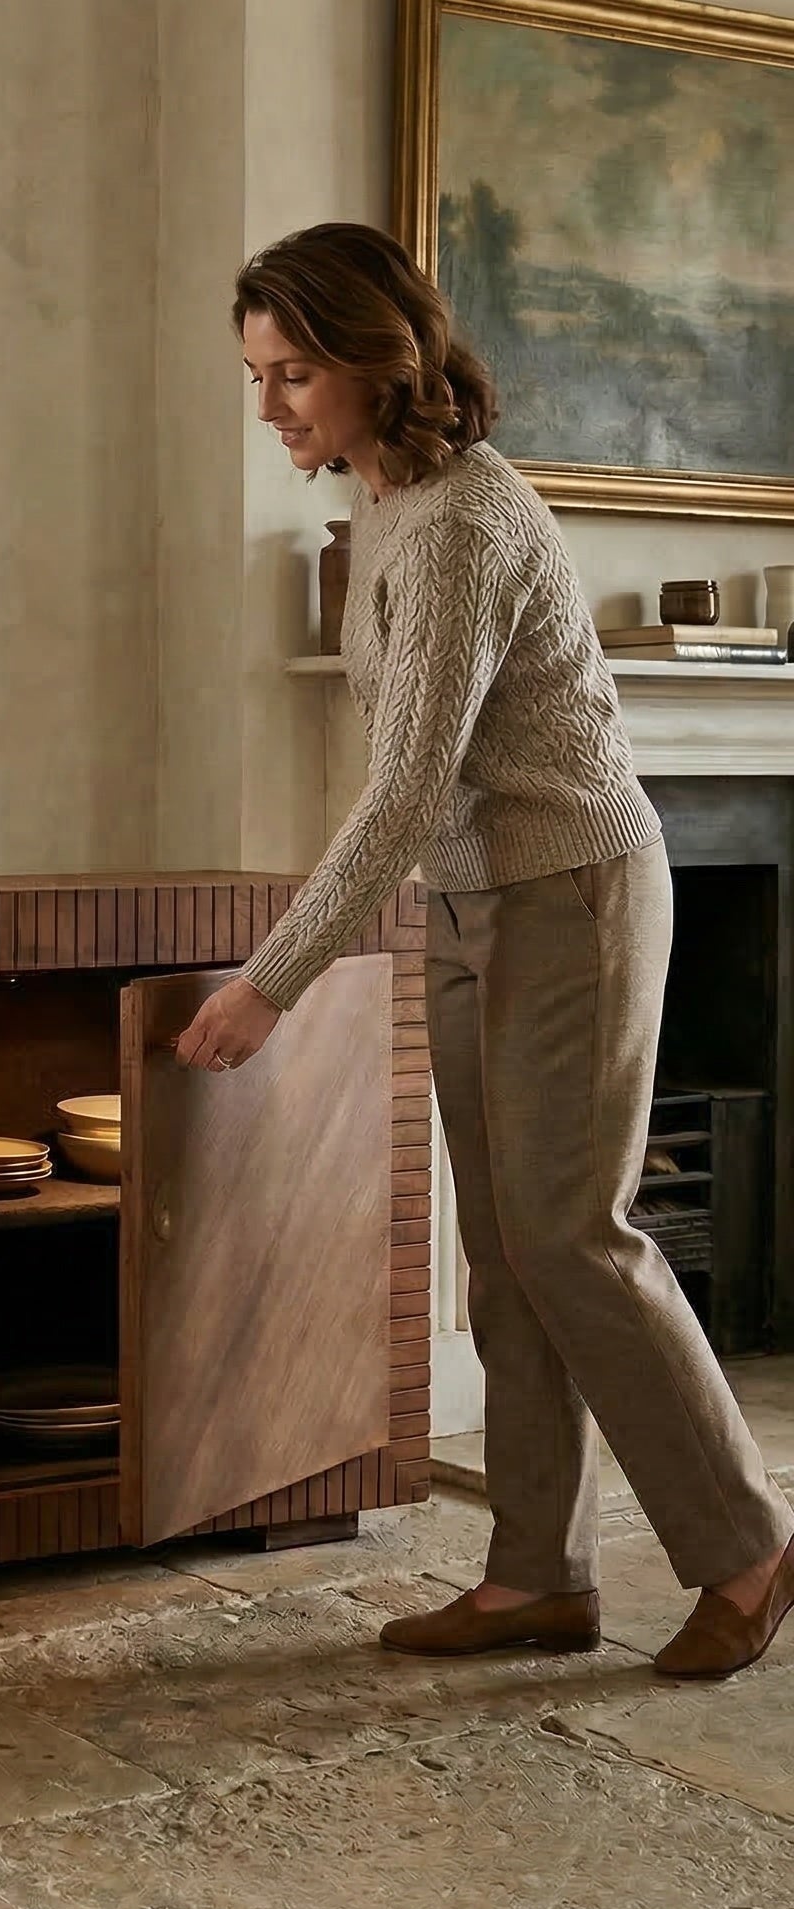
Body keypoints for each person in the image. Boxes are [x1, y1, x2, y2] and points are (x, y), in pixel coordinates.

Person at [171, 221, 794, 1680]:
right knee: (509, 1257)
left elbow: (402, 791)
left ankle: (751, 1546)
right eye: (257, 375)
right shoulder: (386, 504)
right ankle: (534, 1579)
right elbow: (418, 805)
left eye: (293, 373)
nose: (269, 405)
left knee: (573, 1235)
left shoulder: (462, 524)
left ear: (377, 362)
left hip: (570, 895)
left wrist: (271, 983)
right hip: (472, 903)